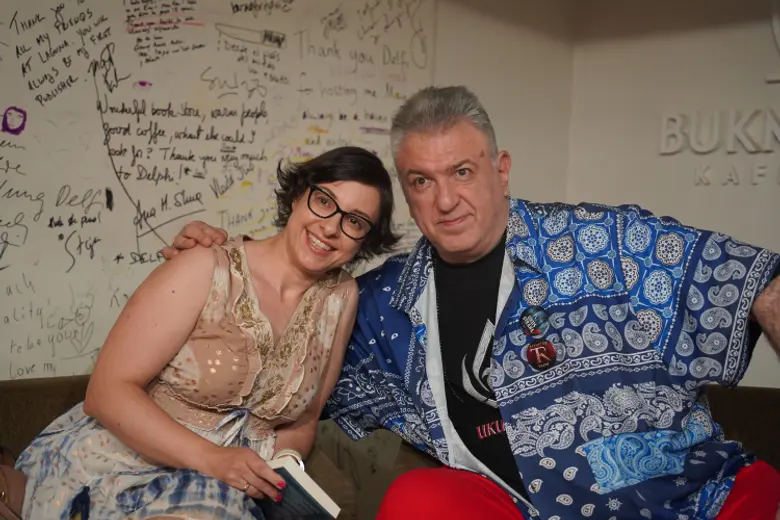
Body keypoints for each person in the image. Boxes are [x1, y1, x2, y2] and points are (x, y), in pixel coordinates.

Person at [164, 86, 780, 520]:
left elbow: (761, 288)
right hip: (522, 504)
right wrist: (227, 261)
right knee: (418, 502)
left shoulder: (606, 240)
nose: (445, 200)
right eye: (422, 181)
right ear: (407, 193)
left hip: (684, 496)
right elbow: (287, 330)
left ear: (500, 169)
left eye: (462, 171)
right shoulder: (380, 303)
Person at [13, 146, 400, 520]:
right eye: (324, 201)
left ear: (365, 240)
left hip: (231, 489)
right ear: (299, 194)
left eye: (354, 222)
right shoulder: (204, 265)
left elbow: (304, 419)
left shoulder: (341, 296)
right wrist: (215, 460)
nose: (330, 227)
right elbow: (106, 394)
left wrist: (278, 477)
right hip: (127, 464)